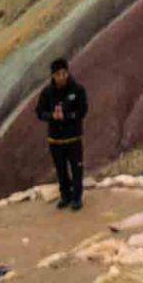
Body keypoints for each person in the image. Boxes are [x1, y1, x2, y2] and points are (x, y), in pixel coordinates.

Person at [34, 58, 88, 211]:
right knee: (60, 169)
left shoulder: (77, 90)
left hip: (73, 137)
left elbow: (83, 110)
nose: (62, 76)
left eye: (64, 73)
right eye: (58, 74)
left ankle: (77, 197)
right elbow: (39, 112)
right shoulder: (47, 93)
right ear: (53, 76)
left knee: (76, 168)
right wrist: (52, 117)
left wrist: (68, 116)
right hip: (55, 139)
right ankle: (65, 196)